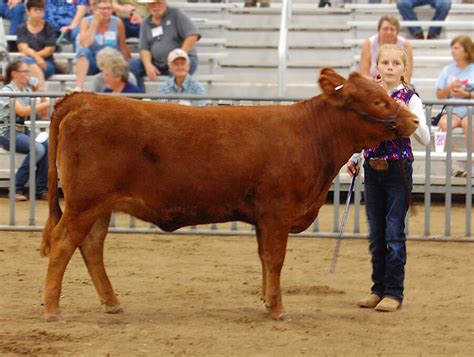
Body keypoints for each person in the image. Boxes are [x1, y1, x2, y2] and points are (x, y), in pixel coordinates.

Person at [347, 45, 430, 312]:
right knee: (376, 234)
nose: (391, 67)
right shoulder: (370, 98)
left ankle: (394, 292)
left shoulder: (411, 98)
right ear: (378, 67)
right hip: (373, 169)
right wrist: (356, 157)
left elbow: (425, 139)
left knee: (394, 232)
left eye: (396, 63)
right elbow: (362, 134)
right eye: (385, 62)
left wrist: (409, 116)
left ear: (404, 69)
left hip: (398, 171)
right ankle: (377, 289)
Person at [0, 60, 50, 201]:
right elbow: (22, 112)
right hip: (6, 131)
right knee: (38, 149)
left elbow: (41, 112)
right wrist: (50, 102)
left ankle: (40, 189)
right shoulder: (6, 91)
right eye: (25, 71)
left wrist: (40, 92)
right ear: (14, 74)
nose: (28, 74)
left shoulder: (27, 90)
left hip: (22, 130)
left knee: (47, 143)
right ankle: (16, 187)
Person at [129, 0, 200, 92]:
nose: (156, 6)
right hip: (157, 62)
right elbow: (144, 48)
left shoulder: (176, 14)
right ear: (148, 6)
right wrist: (148, 65)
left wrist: (179, 54)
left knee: (178, 66)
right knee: (132, 65)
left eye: (158, 3)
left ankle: (173, 101)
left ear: (165, 3)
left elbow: (193, 35)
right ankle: (139, 98)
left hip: (182, 58)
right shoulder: (145, 23)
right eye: (152, 4)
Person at [436, 35, 474, 177]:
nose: (452, 51)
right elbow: (440, 95)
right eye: (452, 47)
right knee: (443, 125)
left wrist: (466, 95)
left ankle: (472, 163)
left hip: (471, 110)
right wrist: (450, 87)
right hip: (453, 110)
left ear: (466, 50)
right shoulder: (447, 70)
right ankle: (454, 164)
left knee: (470, 125)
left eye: (456, 48)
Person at [74, 0, 131, 91]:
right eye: (103, 9)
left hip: (111, 63)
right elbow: (85, 44)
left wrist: (127, 64)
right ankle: (78, 87)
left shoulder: (117, 22)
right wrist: (95, 23)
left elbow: (123, 46)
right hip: (93, 62)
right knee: (83, 52)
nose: (106, 12)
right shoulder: (86, 21)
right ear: (94, 10)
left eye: (109, 8)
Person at [359, 15, 413, 84]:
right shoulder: (368, 44)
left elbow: (407, 77)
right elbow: (363, 75)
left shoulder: (406, 45)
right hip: (373, 84)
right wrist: (377, 83)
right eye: (385, 29)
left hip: (398, 85)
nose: (388, 32)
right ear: (379, 30)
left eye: (392, 29)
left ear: (397, 31)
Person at [16, 0, 56, 88]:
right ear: (28, 12)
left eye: (41, 10)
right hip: (32, 62)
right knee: (24, 64)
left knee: (25, 63)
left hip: (46, 62)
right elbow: (23, 48)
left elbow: (49, 50)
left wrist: (33, 57)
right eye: (36, 9)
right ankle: (39, 91)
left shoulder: (49, 27)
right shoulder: (22, 28)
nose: (39, 12)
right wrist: (37, 58)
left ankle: (34, 92)